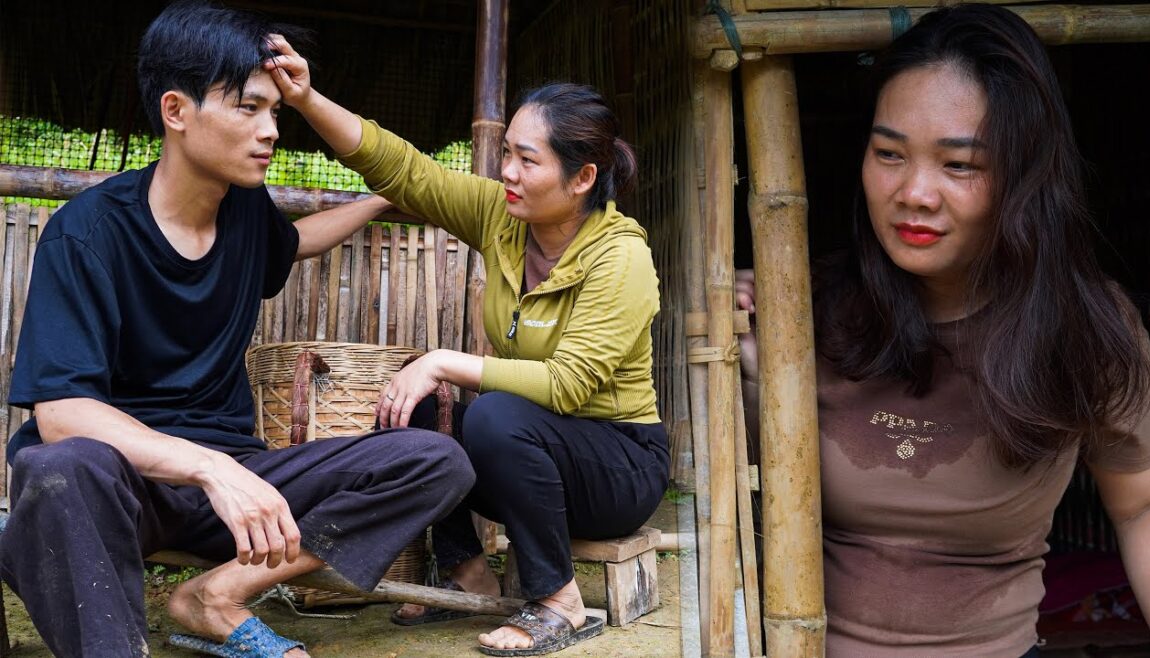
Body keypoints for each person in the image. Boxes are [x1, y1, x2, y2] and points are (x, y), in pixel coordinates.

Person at [0, 3, 475, 657]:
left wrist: (380, 201)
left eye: (274, 112)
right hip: (126, 488)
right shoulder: (88, 233)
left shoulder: (246, 210)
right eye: (248, 108)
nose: (271, 130)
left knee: (434, 461)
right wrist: (207, 467)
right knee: (58, 465)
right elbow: (61, 414)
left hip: (240, 487)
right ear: (177, 111)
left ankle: (215, 596)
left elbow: (295, 243)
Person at [736, 4, 1150, 656]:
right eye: (889, 154)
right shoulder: (801, 312)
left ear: (1025, 175)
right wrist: (736, 361)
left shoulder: (1088, 332)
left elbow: (1147, 506)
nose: (914, 192)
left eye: (958, 164)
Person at [265, 40, 669, 655]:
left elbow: (569, 386)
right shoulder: (500, 217)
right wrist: (306, 98)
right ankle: (465, 574)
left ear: (582, 177)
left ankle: (560, 601)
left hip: (617, 468)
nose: (506, 171)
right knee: (417, 415)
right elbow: (404, 169)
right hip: (527, 458)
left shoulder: (621, 256)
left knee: (493, 411)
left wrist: (444, 360)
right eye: (506, 153)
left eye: (526, 160)